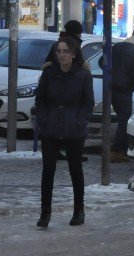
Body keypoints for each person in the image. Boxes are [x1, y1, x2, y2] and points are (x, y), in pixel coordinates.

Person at [34, 36, 94, 228]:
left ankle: (79, 210)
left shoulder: (83, 75)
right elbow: (40, 100)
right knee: (48, 170)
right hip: (50, 128)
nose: (61, 55)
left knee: (75, 170)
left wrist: (80, 120)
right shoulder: (49, 73)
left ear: (74, 54)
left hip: (74, 129)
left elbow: (88, 103)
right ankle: (45, 212)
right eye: (58, 51)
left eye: (65, 51)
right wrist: (44, 119)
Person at [110, 27, 134, 162]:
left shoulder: (117, 46)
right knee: (125, 119)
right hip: (124, 88)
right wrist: (130, 88)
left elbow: (102, 61)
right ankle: (117, 150)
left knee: (119, 117)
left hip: (110, 86)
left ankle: (116, 148)